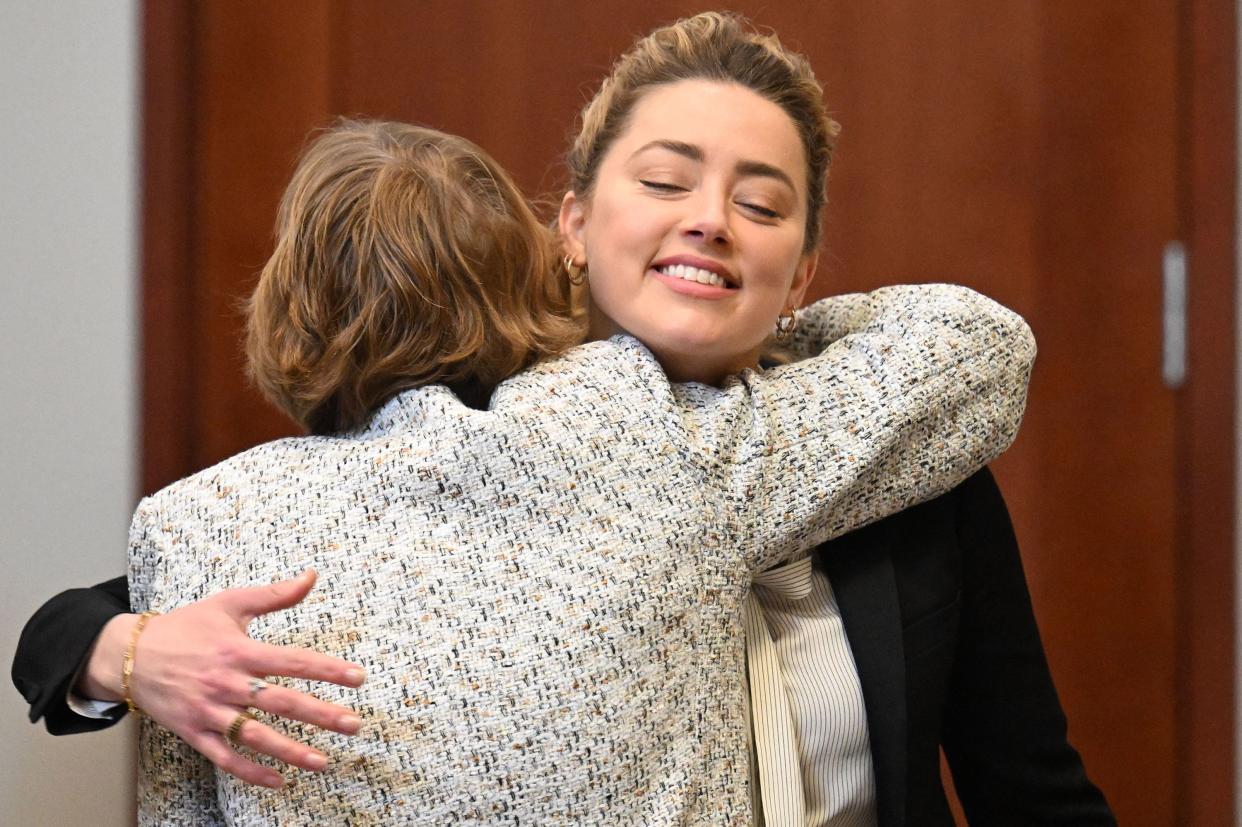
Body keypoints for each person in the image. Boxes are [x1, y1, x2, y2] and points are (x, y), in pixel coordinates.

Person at [11, 11, 1109, 825]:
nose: (712, 222)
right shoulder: (467, 439)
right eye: (668, 180)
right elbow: (96, 612)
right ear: (573, 223)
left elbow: (1032, 786)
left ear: (804, 264)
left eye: (763, 203)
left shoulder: (909, 456)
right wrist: (124, 649)